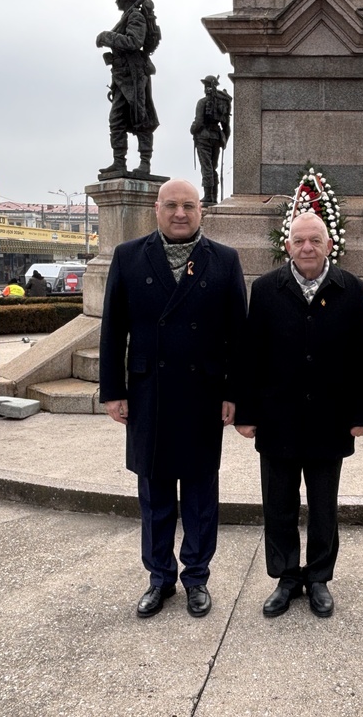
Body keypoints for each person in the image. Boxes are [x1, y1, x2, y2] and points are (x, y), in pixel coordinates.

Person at [99, 178, 247, 619]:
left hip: (202, 394)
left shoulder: (224, 260)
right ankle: (159, 577)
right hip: (149, 395)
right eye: (171, 206)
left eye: (189, 206)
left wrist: (233, 392)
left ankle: (197, 577)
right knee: (155, 493)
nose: (180, 214)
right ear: (156, 210)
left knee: (201, 495)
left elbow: (237, 337)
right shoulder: (128, 257)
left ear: (201, 211)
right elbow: (112, 331)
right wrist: (113, 392)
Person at [234, 213, 363, 619]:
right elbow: (249, 355)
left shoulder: (353, 290)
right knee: (278, 503)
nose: (307, 247)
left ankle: (319, 578)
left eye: (315, 240)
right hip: (278, 417)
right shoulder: (264, 289)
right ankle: (287, 577)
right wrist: (246, 412)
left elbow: (361, 359)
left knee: (324, 505)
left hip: (330, 419)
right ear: (288, 246)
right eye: (299, 240)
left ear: (329, 245)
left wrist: (360, 413)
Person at [96, 0, 160, 177]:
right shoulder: (128, 16)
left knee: (141, 118)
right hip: (122, 77)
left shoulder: (135, 17)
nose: (116, 3)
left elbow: (135, 42)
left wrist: (108, 37)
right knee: (116, 120)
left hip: (134, 76)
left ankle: (144, 163)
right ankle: (119, 162)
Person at [190, 76, 232, 207]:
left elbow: (198, 122)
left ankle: (208, 195)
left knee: (206, 166)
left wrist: (192, 130)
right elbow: (226, 126)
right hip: (217, 138)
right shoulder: (222, 104)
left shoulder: (202, 102)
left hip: (203, 137)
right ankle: (213, 196)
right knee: (213, 167)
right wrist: (224, 140)